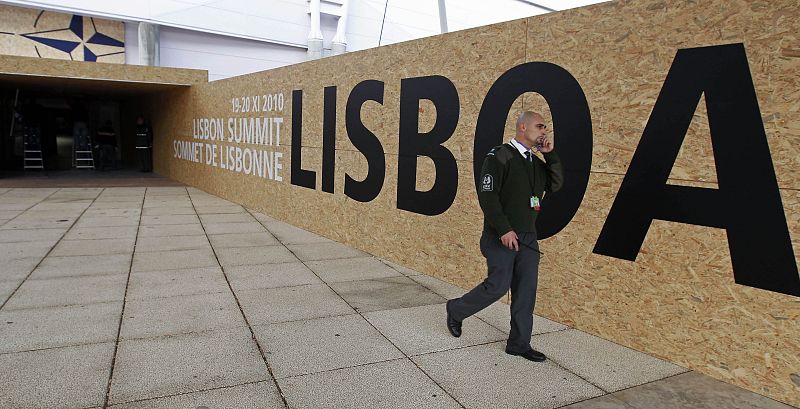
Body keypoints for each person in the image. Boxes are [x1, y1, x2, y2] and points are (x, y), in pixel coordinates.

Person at [446, 111, 563, 362]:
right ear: (523, 127)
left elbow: (556, 184)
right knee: (497, 286)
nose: (544, 131)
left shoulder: (535, 163)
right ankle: (456, 309)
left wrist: (550, 154)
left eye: (545, 127)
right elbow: (487, 196)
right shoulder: (499, 155)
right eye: (539, 126)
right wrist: (503, 229)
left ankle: (519, 345)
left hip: (528, 238)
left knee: (525, 292)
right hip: (501, 235)